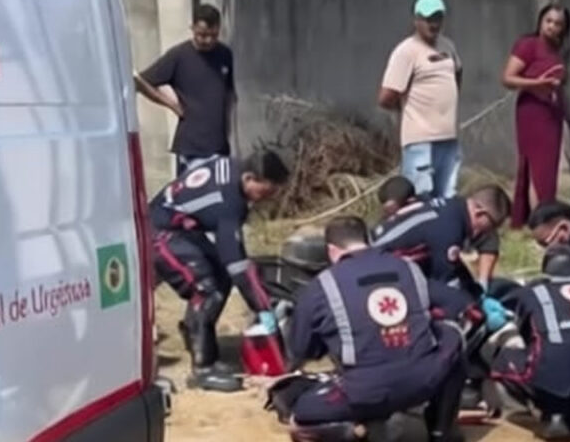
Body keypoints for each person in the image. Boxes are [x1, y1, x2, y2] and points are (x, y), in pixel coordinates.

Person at [283, 217, 467, 442]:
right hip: (423, 382)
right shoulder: (409, 268)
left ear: (331, 250)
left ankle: (351, 433)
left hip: (363, 393)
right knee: (451, 335)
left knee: (297, 413)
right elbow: (457, 302)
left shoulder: (321, 286)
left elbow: (302, 349)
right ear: (368, 240)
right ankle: (440, 431)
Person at [148, 150, 289, 392]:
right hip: (160, 232)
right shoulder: (230, 202)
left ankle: (197, 332)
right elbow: (237, 263)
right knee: (207, 291)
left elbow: (230, 261)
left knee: (221, 277)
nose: (268, 198)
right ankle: (203, 368)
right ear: (250, 178)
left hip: (183, 227)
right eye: (267, 191)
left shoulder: (230, 167)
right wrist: (263, 308)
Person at [484, 245, 570, 440]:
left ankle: (554, 414)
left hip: (556, 383)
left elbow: (522, 328)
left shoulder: (535, 291)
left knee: (504, 359)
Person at [135, 4, 237, 176]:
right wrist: (171, 105)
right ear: (193, 28)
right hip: (191, 147)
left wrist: (229, 130)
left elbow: (229, 94)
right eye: (202, 35)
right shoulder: (179, 56)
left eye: (213, 35)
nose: (208, 41)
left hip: (219, 147)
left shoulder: (225, 54)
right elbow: (139, 81)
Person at [378, 0, 464, 200]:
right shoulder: (406, 52)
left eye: (437, 18)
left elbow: (458, 73)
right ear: (416, 20)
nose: (433, 24)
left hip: (448, 138)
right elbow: (386, 97)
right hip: (420, 142)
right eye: (427, 19)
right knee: (420, 197)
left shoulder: (447, 46)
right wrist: (410, 109)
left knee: (447, 197)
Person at [371, 184, 511, 302]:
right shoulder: (451, 228)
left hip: (381, 256)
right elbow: (447, 282)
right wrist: (476, 304)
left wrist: (477, 290)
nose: (487, 232)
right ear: (480, 212)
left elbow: (454, 267)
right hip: (375, 265)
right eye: (491, 225)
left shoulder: (452, 208)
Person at [501, 4, 570, 229]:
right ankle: (540, 222)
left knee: (549, 169)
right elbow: (508, 78)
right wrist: (536, 84)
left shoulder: (559, 51)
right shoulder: (528, 45)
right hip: (532, 112)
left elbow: (561, 89)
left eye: (558, 24)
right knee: (537, 168)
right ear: (540, 21)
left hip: (552, 114)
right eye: (548, 21)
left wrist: (569, 118)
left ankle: (542, 215)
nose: (552, 27)